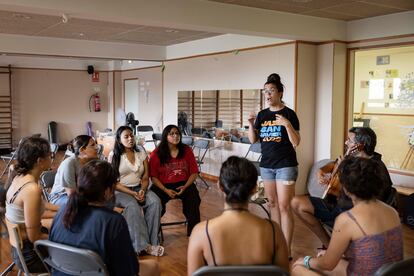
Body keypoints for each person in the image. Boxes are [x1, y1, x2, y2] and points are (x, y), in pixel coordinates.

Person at [292, 157, 403, 276]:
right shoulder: (392, 212)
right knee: (325, 256)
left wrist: (305, 260)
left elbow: (327, 265)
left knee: (297, 268)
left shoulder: (347, 219)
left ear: (345, 188)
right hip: (390, 273)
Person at [49, 160, 159, 276]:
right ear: (108, 191)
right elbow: (129, 270)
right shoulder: (112, 221)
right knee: (153, 266)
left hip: (60, 272)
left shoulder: (63, 211)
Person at [291, 127, 393, 248]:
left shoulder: (375, 168)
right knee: (296, 203)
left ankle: (336, 248)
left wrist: (343, 166)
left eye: (349, 140)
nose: (346, 143)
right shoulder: (352, 158)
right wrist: (321, 172)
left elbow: (369, 201)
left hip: (352, 212)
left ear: (359, 145)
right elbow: (333, 165)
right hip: (336, 203)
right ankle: (328, 245)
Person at [187, 156, 289, 275]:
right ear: (255, 188)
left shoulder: (201, 232)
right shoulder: (274, 231)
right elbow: (283, 273)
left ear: (220, 186)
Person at [248, 73, 300, 256]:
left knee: (284, 206)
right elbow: (254, 140)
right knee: (272, 204)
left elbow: (296, 142)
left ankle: (287, 249)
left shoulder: (289, 114)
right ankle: (277, 243)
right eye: (265, 92)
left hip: (286, 165)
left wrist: (287, 124)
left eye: (271, 91)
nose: (267, 95)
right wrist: (250, 123)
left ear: (279, 92)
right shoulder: (262, 115)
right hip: (267, 165)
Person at [109, 126, 164, 256]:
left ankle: (152, 243)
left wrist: (143, 191)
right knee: (132, 205)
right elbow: (114, 183)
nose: (130, 139)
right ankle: (141, 246)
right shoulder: (114, 155)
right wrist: (132, 194)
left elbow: (145, 177)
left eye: (131, 135)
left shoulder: (141, 152)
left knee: (155, 202)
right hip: (120, 191)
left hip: (139, 188)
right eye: (126, 137)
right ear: (119, 139)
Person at [4, 137, 56, 273]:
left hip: (20, 250)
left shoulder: (19, 177)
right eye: (50, 156)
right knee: (79, 256)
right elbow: (34, 237)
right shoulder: (31, 189)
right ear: (40, 161)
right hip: (32, 256)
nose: (52, 159)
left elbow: (38, 211)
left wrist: (61, 211)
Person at [149, 124, 201, 236]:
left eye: (177, 133)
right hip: (162, 185)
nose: (175, 136)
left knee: (194, 199)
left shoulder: (186, 150)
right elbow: (153, 177)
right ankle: (153, 233)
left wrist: (186, 186)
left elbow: (194, 172)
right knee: (154, 202)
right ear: (165, 136)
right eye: (171, 134)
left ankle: (194, 233)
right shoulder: (156, 153)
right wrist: (165, 190)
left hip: (184, 184)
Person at [49, 135, 98, 206]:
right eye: (92, 145)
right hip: (60, 197)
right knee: (85, 205)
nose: (96, 148)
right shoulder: (69, 163)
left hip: (80, 195)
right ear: (82, 150)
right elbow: (71, 194)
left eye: (96, 144)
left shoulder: (92, 162)